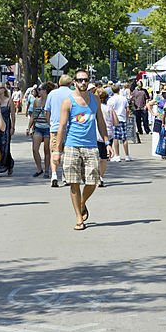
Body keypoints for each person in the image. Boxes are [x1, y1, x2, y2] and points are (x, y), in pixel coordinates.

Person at [55, 69, 109, 230]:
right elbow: (62, 127)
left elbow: (100, 121)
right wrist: (57, 150)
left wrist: (107, 142)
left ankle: (81, 202)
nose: (83, 83)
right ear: (74, 82)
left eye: (85, 80)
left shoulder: (95, 100)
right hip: (72, 145)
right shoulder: (68, 101)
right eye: (79, 80)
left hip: (91, 146)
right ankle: (79, 217)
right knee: (74, 182)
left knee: (93, 180)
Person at [45, 74, 75, 187]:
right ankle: (65, 175)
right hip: (69, 127)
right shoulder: (72, 94)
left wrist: (50, 122)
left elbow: (47, 111)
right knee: (67, 152)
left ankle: (54, 174)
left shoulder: (52, 94)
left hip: (55, 127)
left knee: (55, 151)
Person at [29, 83, 53, 178]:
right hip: (38, 127)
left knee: (47, 150)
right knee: (35, 149)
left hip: (48, 127)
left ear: (45, 91)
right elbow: (34, 115)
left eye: (40, 89)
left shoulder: (50, 101)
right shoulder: (36, 101)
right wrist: (29, 127)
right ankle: (39, 169)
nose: (38, 91)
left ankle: (47, 170)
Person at [0, 85, 15, 176]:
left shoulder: (9, 100)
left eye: (0, 88)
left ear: (4, 89)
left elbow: (12, 114)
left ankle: (9, 165)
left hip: (6, 125)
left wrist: (13, 127)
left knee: (5, 147)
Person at [107, 84, 132, 162]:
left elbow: (109, 110)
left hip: (114, 119)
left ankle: (117, 155)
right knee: (124, 138)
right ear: (119, 90)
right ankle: (127, 155)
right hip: (123, 118)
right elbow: (127, 109)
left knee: (115, 138)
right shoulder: (123, 99)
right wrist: (127, 117)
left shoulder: (111, 100)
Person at [95, 89, 113, 187]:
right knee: (104, 158)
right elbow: (115, 121)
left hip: (95, 134)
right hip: (108, 133)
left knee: (96, 157)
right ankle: (101, 176)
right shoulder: (108, 108)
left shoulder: (93, 108)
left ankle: (96, 175)